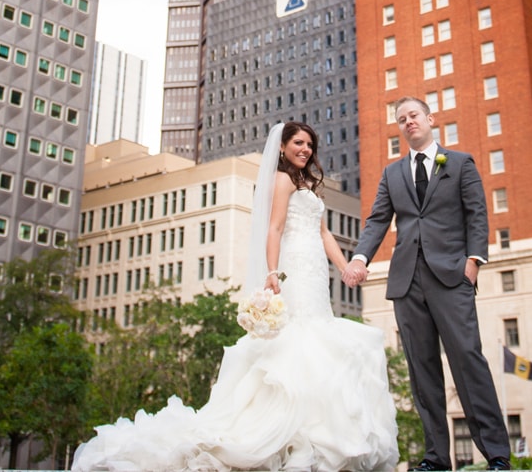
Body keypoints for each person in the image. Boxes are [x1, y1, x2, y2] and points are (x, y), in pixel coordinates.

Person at [71, 122, 398, 472]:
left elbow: (324, 233)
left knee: (319, 336)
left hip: (316, 269)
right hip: (294, 267)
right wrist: (273, 273)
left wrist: (346, 267)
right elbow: (273, 228)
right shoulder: (282, 180)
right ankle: (290, 439)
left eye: (310, 144)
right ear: (283, 147)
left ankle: (312, 438)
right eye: (298, 143)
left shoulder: (308, 185)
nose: (305, 149)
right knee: (297, 341)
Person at [344, 96, 510, 471]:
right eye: (401, 119)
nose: (408, 123)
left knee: (468, 361)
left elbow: (477, 214)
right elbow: (377, 221)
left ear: (430, 119)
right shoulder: (392, 174)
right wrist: (359, 257)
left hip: (452, 277)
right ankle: (437, 457)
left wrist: (473, 262)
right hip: (407, 283)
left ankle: (497, 455)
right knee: (422, 371)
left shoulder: (460, 163)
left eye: (413, 115)